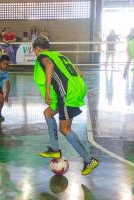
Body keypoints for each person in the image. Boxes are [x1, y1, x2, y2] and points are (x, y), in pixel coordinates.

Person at [32, 36, 99, 176]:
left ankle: (89, 160)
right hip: (72, 91)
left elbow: (49, 66)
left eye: (34, 50)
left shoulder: (42, 56)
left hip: (67, 94)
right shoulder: (58, 55)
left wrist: (47, 92)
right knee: (48, 113)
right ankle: (55, 149)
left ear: (37, 49)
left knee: (65, 128)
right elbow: (79, 72)